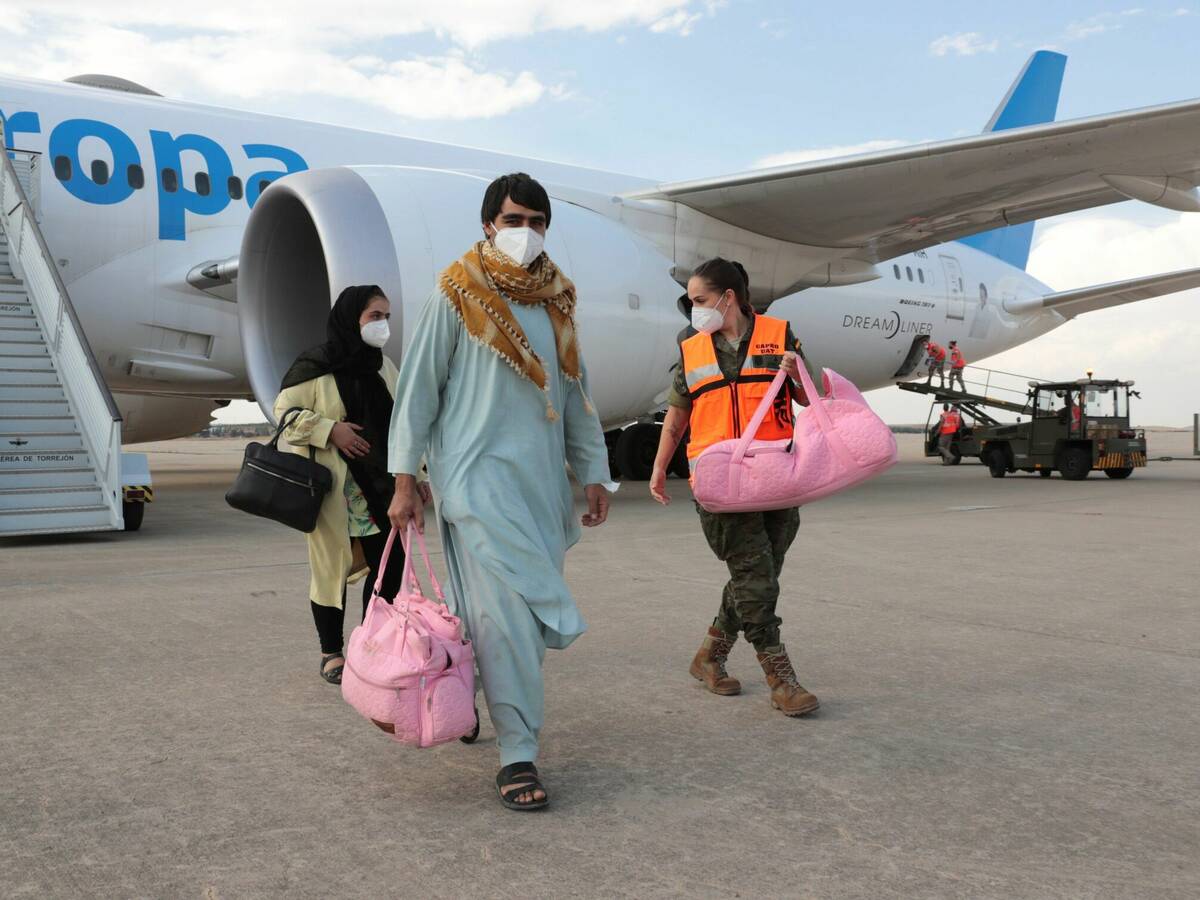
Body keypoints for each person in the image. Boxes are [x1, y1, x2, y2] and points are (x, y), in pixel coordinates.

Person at [386, 173, 611, 811]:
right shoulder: (456, 294)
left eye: (538, 221)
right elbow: (417, 394)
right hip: (475, 484)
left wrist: (592, 470)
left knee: (497, 621)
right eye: (515, 219)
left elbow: (575, 394)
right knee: (507, 620)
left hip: (540, 489)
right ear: (489, 223)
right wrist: (406, 481)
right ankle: (518, 753)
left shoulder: (556, 302)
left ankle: (466, 694)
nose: (527, 232)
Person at [648, 258, 821, 718]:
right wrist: (660, 467)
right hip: (721, 483)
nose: (693, 309)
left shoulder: (780, 334)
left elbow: (811, 395)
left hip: (778, 479)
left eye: (700, 300)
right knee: (756, 578)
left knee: (757, 578)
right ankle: (781, 678)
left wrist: (799, 367)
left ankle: (709, 656)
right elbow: (677, 413)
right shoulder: (691, 346)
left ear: (729, 297)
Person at [274, 285, 420, 684]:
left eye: (387, 317)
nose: (383, 325)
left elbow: (404, 424)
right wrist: (329, 428)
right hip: (335, 494)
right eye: (375, 316)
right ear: (350, 317)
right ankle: (331, 652)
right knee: (330, 572)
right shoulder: (315, 366)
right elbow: (284, 415)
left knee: (389, 569)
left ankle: (372, 641)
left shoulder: (382, 366)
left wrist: (416, 478)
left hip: (381, 492)